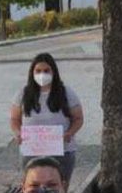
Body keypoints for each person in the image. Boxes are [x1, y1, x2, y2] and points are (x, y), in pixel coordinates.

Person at [9, 53, 85, 184]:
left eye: (46, 70)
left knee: (60, 189)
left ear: (53, 72)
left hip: (62, 151)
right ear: (32, 73)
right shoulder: (23, 94)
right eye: (38, 71)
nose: (42, 74)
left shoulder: (66, 93)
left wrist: (70, 133)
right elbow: (14, 119)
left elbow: (78, 118)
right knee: (33, 187)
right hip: (32, 151)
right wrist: (17, 133)